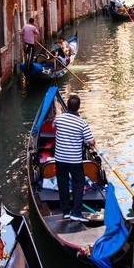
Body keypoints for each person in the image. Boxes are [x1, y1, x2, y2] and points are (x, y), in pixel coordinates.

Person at [53, 94, 95, 222]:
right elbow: (91, 142)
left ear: (67, 106)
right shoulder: (82, 123)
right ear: (78, 108)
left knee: (63, 183)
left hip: (60, 158)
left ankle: (65, 211)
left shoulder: (58, 119)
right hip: (74, 160)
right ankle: (76, 212)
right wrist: (91, 142)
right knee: (78, 184)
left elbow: (54, 127)